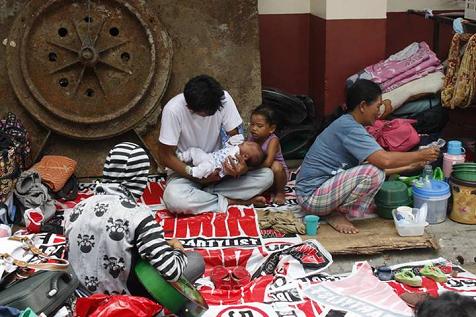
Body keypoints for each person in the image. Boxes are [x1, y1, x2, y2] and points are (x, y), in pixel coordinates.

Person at [295, 79, 439, 234]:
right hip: (312, 197)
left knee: (374, 170)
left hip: (314, 193)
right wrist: (419, 155)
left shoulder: (349, 124)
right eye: (377, 106)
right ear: (363, 106)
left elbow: (366, 168)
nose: (379, 111)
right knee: (374, 173)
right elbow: (383, 161)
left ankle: (332, 210)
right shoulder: (349, 128)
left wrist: (410, 166)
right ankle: (336, 213)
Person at [65, 142, 205, 296]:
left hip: (81, 295)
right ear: (138, 178)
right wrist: (178, 249)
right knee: (195, 261)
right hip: (124, 301)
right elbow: (171, 271)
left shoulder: (77, 209)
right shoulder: (138, 216)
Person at [159, 75, 273, 214]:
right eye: (207, 113)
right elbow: (165, 156)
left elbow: (236, 139)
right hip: (188, 171)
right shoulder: (173, 110)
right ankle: (233, 201)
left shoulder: (222, 99)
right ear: (190, 107)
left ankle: (205, 196)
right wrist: (194, 175)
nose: (213, 113)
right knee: (174, 198)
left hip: (220, 171)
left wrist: (241, 168)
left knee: (267, 176)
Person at [248, 106, 289, 204]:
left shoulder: (272, 140)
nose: (254, 128)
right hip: (262, 173)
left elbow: (268, 162)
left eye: (259, 126)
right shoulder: (251, 138)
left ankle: (280, 192)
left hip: (277, 175)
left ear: (272, 128)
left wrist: (250, 169)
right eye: (252, 124)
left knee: (276, 166)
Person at [178, 138, 265, 179]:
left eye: (242, 145)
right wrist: (231, 142)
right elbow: (227, 146)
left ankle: (194, 172)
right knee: (195, 151)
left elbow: (226, 165)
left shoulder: (236, 160)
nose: (241, 144)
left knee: (206, 167)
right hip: (209, 156)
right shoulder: (235, 149)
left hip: (213, 166)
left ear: (245, 156)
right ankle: (182, 156)